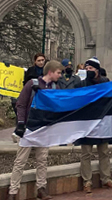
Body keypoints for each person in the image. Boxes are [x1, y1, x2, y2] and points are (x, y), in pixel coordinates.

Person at [8, 60, 63, 200]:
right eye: (58, 72)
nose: (60, 75)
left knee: (42, 160)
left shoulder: (56, 88)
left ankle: (41, 188)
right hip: (28, 128)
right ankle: (13, 191)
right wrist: (21, 123)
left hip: (44, 129)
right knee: (20, 161)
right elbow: (21, 104)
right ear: (50, 72)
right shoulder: (32, 84)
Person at [77, 58, 112, 194]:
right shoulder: (82, 84)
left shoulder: (105, 82)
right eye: (86, 68)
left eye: (90, 69)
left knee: (104, 152)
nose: (88, 71)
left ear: (97, 70)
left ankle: (106, 178)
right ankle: (87, 182)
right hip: (87, 123)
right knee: (86, 154)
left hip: (102, 122)